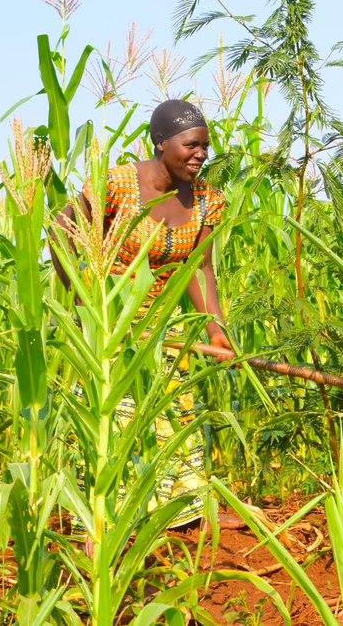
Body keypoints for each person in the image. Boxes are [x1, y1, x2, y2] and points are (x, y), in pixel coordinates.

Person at [52, 99, 243, 538]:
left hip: (162, 324)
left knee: (176, 414)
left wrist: (216, 329)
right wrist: (83, 298)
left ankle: (188, 513)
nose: (200, 154)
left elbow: (200, 266)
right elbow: (61, 230)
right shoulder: (117, 184)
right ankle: (108, 522)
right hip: (111, 325)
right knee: (115, 420)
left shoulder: (207, 200)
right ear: (161, 143)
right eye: (191, 145)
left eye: (205, 147)